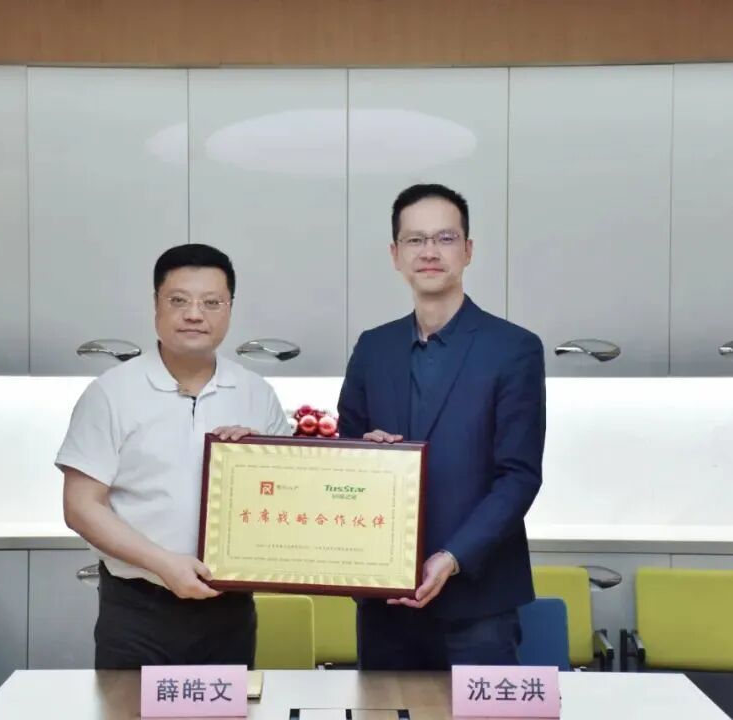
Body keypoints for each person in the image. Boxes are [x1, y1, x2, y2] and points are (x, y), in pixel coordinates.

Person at [337, 183, 546, 669]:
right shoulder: (373, 348)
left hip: (479, 599)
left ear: (468, 250)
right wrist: (363, 453)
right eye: (415, 239)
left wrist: (452, 557)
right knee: (386, 706)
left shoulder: (513, 348)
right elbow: (342, 457)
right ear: (395, 254)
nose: (429, 252)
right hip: (384, 599)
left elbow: (518, 476)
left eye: (445, 238)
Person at [56, 243, 292, 669]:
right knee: (129, 706)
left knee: (223, 706)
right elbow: (80, 506)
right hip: (138, 610)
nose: (194, 314)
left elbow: (288, 499)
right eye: (179, 300)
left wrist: (263, 459)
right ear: (156, 305)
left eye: (211, 302)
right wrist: (164, 565)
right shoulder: (112, 392)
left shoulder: (256, 394)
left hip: (229, 609)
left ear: (230, 308)